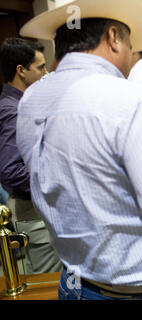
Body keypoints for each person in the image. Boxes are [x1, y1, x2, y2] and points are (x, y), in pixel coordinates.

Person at [17, 0, 142, 300]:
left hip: (74, 282)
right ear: (113, 37)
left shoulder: (32, 99)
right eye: (130, 43)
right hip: (135, 290)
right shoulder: (129, 100)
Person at [0, 37, 62, 274]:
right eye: (40, 67)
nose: (45, 73)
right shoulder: (13, 110)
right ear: (21, 71)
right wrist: (55, 178)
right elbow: (11, 172)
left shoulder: (20, 104)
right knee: (43, 284)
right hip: (31, 214)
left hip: (36, 211)